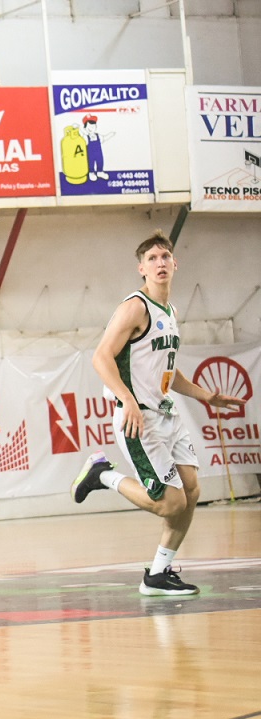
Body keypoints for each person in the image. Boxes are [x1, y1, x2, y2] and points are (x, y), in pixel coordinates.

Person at [71, 231, 244, 596]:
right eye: (152, 258)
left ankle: (158, 574)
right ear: (141, 269)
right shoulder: (135, 307)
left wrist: (206, 396)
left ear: (175, 264)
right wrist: (128, 400)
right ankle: (101, 476)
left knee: (193, 491)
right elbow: (101, 357)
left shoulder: (170, 311)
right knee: (171, 502)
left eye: (165, 256)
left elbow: (168, 369)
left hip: (167, 414)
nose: (160, 262)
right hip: (137, 418)